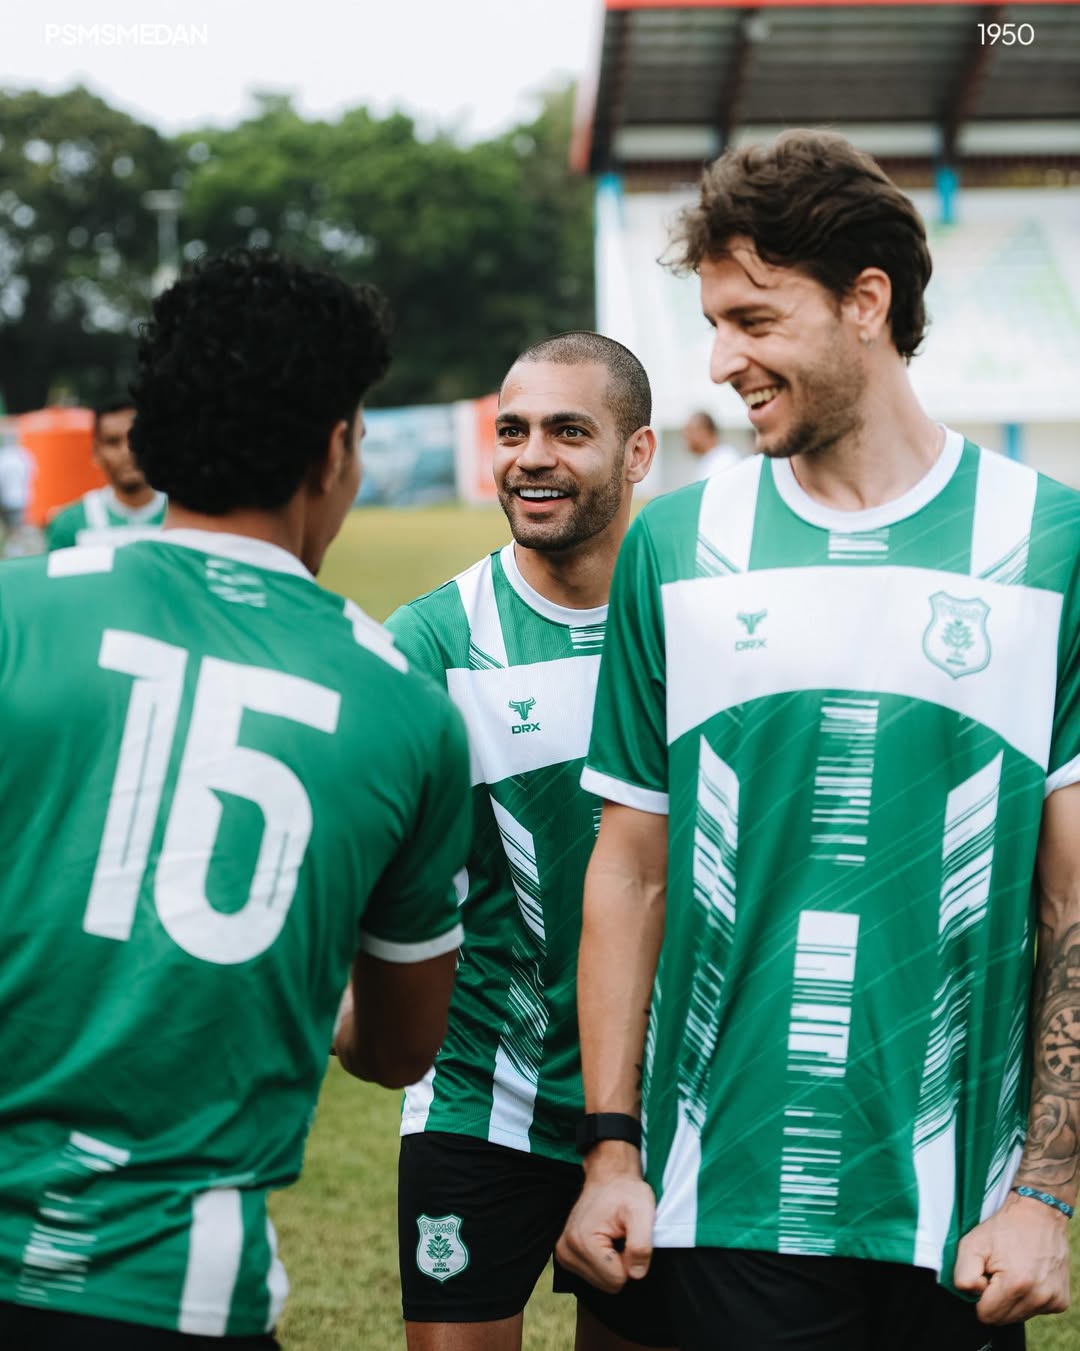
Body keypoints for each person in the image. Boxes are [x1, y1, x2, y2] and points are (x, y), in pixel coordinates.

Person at [557, 129, 1080, 1351]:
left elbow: (1074, 899)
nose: (721, 359)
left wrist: (1049, 1188)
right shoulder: (676, 548)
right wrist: (611, 1151)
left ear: (865, 301)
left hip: (957, 1218)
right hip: (723, 1197)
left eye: (752, 318)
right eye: (713, 322)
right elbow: (629, 870)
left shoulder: (1049, 542)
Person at [0, 250, 472, 1349]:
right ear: (336, 447)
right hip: (182, 1293)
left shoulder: (19, 610)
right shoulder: (401, 705)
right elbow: (400, 1049)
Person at [386, 332, 673, 1351]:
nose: (530, 456)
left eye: (566, 431)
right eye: (511, 431)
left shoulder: (699, 627)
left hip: (664, 1104)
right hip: (482, 1097)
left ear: (637, 453)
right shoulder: (430, 642)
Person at [46, 396, 167, 549]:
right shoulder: (70, 524)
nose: (127, 451)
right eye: (113, 441)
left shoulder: (186, 517)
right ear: (96, 452)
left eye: (135, 439)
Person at [681, 409, 741, 479]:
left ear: (705, 432)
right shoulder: (710, 460)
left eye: (690, 431)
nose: (686, 437)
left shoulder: (725, 460)